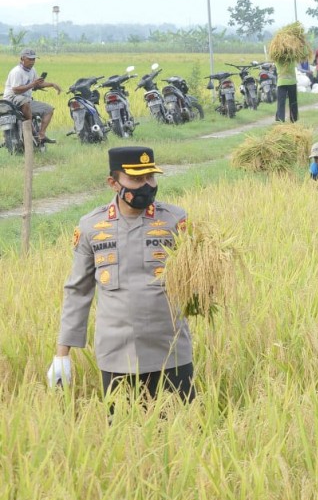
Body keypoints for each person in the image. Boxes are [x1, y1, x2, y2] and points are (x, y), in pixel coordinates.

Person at [47, 146, 196, 403]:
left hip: (171, 351)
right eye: (137, 179)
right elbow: (78, 291)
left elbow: (198, 278)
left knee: (182, 431)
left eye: (150, 177)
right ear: (113, 183)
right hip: (117, 355)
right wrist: (62, 354)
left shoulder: (175, 220)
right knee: (124, 435)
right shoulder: (92, 226)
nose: (146, 186)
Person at [4, 48, 62, 144]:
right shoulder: (17, 71)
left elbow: (38, 84)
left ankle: (41, 134)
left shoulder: (32, 70)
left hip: (26, 99)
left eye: (33, 59)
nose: (32, 62)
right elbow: (16, 89)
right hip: (12, 98)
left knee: (49, 110)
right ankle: (31, 129)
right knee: (25, 102)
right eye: (29, 59)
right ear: (22, 58)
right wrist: (32, 84)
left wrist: (52, 84)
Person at [274, 47, 303, 123]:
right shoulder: (292, 57)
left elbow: (273, 53)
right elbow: (303, 53)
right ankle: (293, 119)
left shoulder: (278, 59)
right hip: (292, 83)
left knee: (281, 102)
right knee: (293, 102)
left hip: (281, 83)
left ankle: (280, 119)